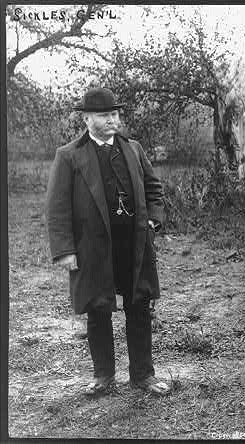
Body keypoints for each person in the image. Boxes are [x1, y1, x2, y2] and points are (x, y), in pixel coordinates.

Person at [45, 87, 170, 396]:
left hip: (134, 245)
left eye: (115, 114)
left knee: (139, 305)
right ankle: (103, 377)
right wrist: (65, 250)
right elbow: (57, 206)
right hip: (92, 248)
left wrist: (153, 220)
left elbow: (154, 188)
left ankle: (143, 376)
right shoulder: (69, 155)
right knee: (98, 309)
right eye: (104, 115)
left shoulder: (133, 149)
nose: (112, 120)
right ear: (87, 119)